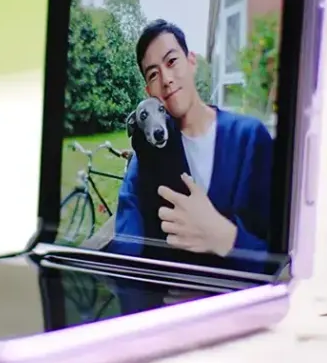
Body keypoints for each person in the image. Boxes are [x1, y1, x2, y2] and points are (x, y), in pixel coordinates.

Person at [106, 19, 274, 267]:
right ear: (149, 91)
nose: (166, 79)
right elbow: (126, 249)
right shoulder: (146, 159)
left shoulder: (250, 138)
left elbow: (279, 259)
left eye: (172, 61)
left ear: (192, 62)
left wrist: (225, 238)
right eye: (153, 74)